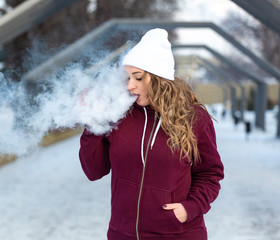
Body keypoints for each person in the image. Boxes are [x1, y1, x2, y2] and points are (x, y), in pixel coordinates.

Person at [79, 28, 224, 240]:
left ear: (159, 78)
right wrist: (93, 122)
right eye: (127, 77)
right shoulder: (118, 114)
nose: (130, 85)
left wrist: (189, 208)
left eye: (137, 77)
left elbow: (210, 174)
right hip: (123, 234)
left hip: (178, 234)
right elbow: (94, 171)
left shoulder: (194, 118)